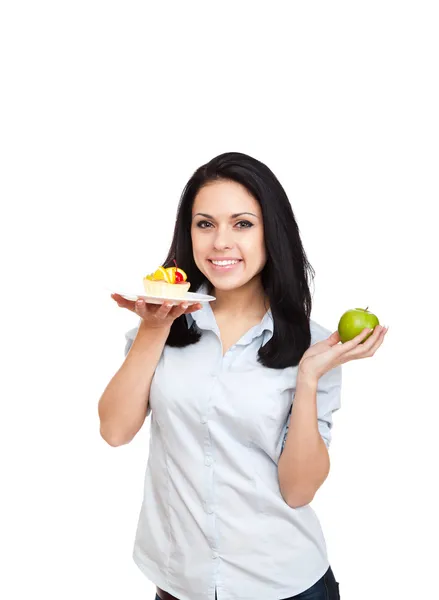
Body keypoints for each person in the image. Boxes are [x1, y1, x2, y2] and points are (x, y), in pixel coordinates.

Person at [99, 152, 387, 600]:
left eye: (242, 224)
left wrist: (308, 379)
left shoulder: (315, 347)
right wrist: (154, 327)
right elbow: (115, 431)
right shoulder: (159, 326)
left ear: (272, 232)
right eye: (205, 224)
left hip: (284, 585)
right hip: (180, 582)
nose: (220, 243)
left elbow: (298, 491)